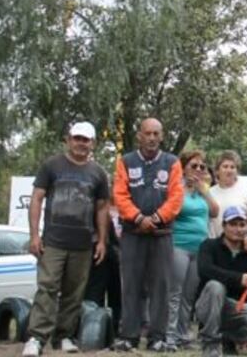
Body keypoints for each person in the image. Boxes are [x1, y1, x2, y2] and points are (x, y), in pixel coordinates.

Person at [23, 122, 110, 357]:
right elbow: (37, 199)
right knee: (47, 287)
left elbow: (102, 209)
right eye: (77, 138)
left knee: (74, 292)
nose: (81, 143)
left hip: (83, 244)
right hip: (53, 241)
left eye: (86, 140)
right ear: (68, 140)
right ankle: (36, 338)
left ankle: (64, 337)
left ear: (93, 143)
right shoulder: (52, 165)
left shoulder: (99, 173)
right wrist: (34, 235)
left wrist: (102, 240)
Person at [112, 117, 185, 352]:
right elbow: (120, 195)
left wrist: (155, 218)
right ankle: (129, 336)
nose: (152, 138)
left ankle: (158, 337)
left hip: (161, 234)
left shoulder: (172, 162)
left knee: (161, 287)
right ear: (139, 136)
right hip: (133, 234)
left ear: (162, 136)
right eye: (148, 133)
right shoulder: (125, 161)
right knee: (131, 285)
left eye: (156, 133)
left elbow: (176, 198)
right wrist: (138, 218)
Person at [195, 206, 247, 357]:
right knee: (216, 286)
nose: (238, 229)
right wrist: (239, 278)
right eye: (233, 224)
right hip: (207, 304)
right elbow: (205, 270)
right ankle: (210, 343)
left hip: (234, 309)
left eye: (242, 225)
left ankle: (228, 340)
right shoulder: (209, 245)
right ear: (224, 226)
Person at [168, 151, 220, 349]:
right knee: (174, 292)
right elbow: (172, 210)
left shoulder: (202, 191)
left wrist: (203, 189)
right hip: (178, 245)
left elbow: (215, 212)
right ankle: (169, 335)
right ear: (183, 167)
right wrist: (184, 187)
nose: (198, 169)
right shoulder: (175, 188)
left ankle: (182, 335)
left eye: (202, 167)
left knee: (189, 295)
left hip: (199, 249)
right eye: (193, 165)